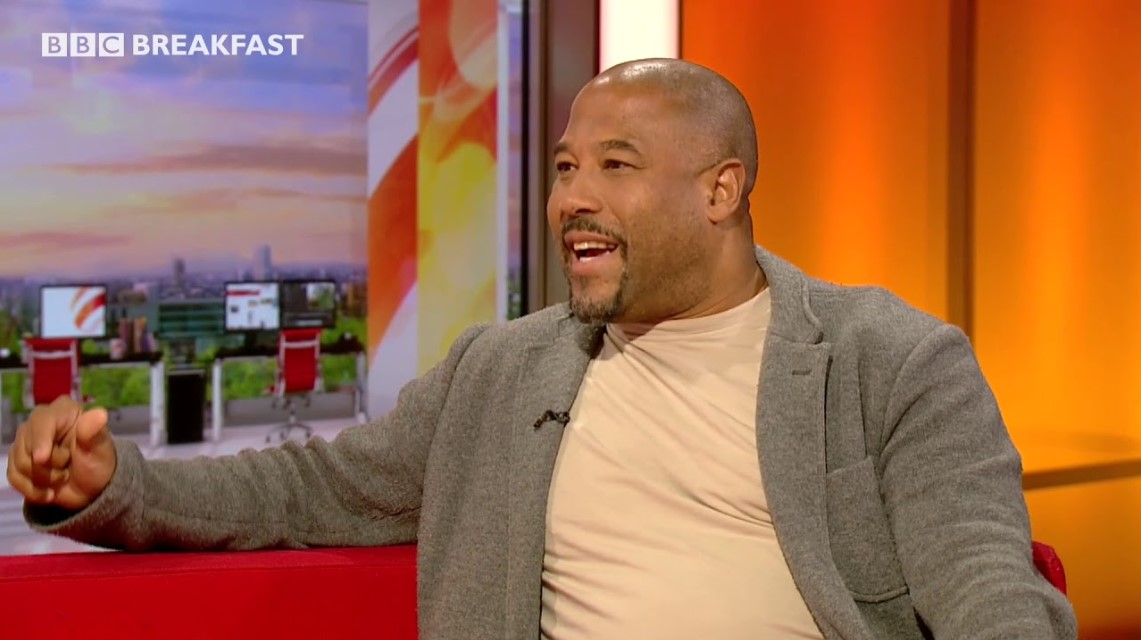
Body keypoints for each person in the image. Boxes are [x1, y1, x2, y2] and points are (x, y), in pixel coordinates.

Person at [6, 59, 1076, 640]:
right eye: (564, 168)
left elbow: (983, 585)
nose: (571, 198)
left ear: (721, 189)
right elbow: (305, 489)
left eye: (615, 165)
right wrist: (113, 483)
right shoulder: (501, 369)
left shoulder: (889, 358)